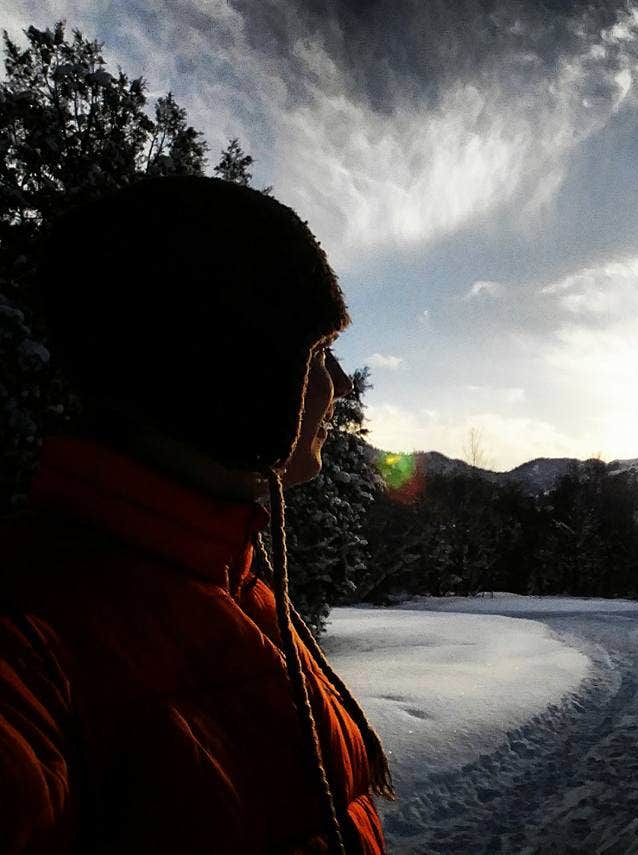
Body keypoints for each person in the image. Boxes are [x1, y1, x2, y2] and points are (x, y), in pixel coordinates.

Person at [0, 176, 392, 854]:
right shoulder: (33, 640)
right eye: (318, 353)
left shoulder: (231, 574)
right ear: (233, 368)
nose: (339, 387)